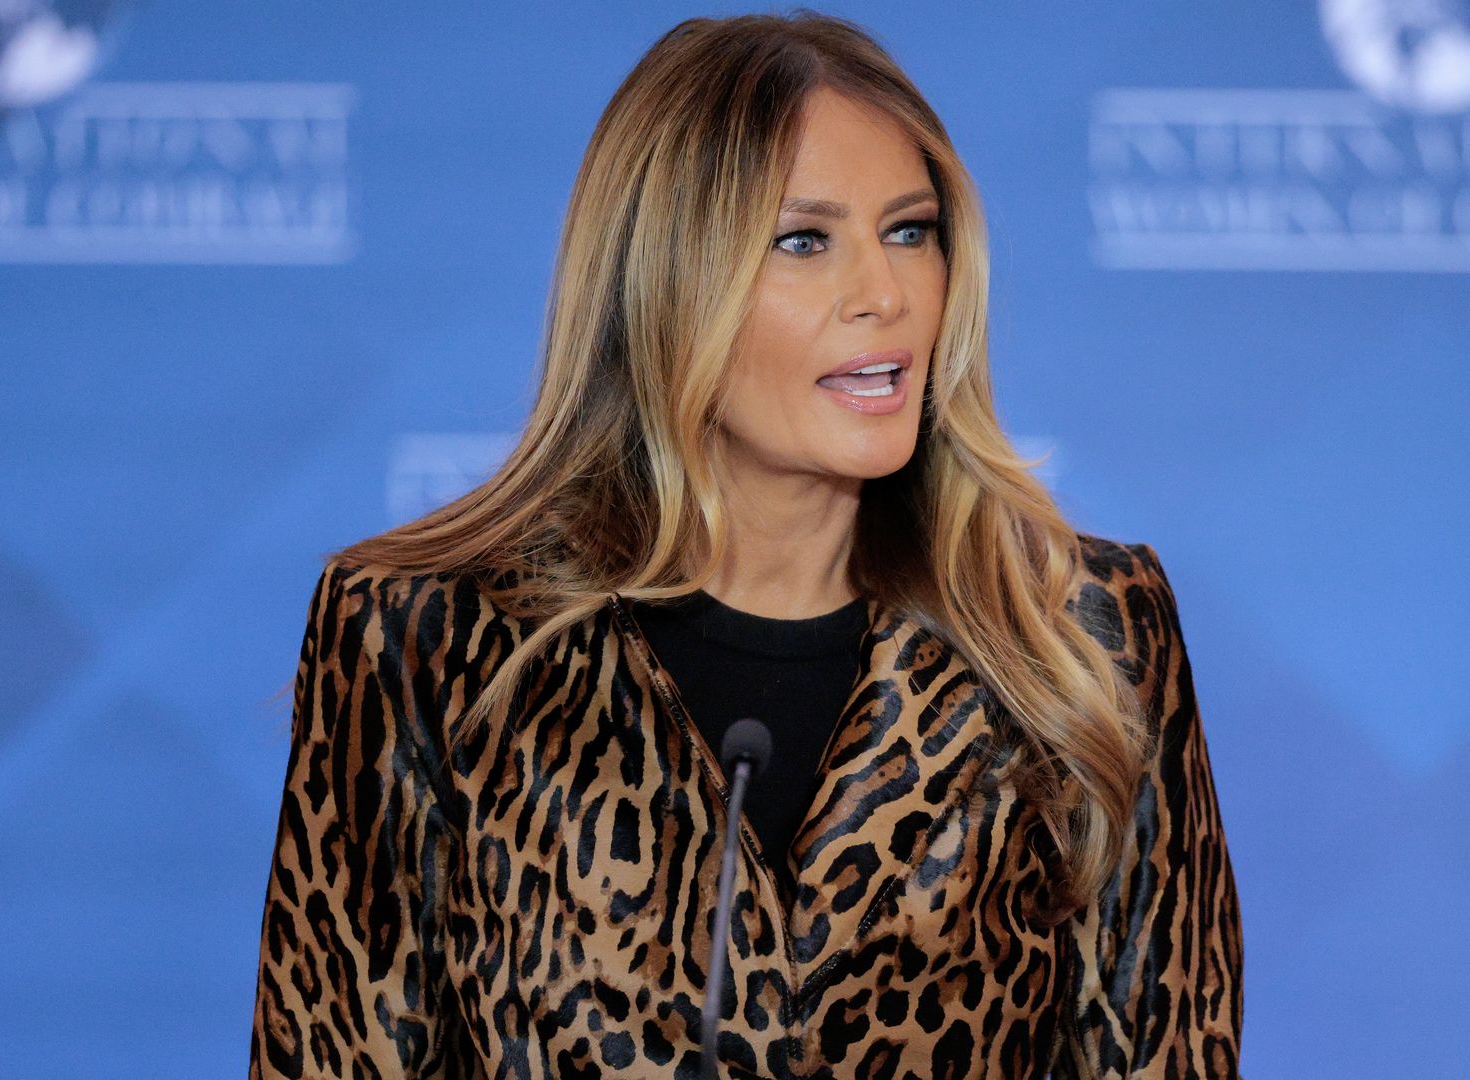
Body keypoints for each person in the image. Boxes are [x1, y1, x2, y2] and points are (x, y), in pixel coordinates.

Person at [248, 10, 1242, 1079]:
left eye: (910, 230)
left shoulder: (1080, 630)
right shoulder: (424, 638)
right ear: (668, 285)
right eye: (804, 241)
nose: (887, 294)